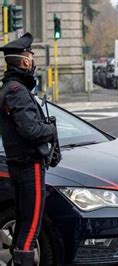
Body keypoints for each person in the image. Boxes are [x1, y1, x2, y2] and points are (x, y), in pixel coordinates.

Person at [0, 33, 58, 266]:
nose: (33, 61)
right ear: (24, 61)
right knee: (31, 225)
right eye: (30, 56)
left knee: (24, 222)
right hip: (28, 164)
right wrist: (51, 130)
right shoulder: (17, 91)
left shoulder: (9, 88)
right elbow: (31, 131)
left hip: (19, 164)